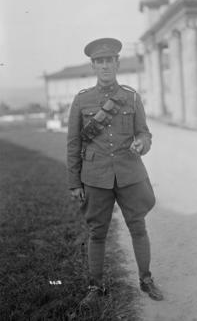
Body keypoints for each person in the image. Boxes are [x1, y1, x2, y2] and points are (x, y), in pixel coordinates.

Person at [67, 37, 163, 302]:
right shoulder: (82, 100)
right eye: (100, 61)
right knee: (97, 232)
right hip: (96, 176)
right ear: (93, 66)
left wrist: (142, 143)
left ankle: (146, 280)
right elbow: (74, 143)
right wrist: (74, 182)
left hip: (129, 173)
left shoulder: (131, 97)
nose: (105, 66)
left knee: (138, 227)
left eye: (109, 60)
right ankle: (95, 287)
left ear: (117, 63)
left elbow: (144, 132)